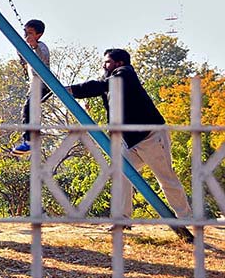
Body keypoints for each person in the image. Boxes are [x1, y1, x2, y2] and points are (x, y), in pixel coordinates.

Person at [67, 48, 192, 228]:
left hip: (151, 136)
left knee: (166, 178)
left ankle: (186, 218)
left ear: (119, 63)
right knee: (121, 175)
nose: (104, 65)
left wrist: (70, 89)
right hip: (131, 141)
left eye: (108, 62)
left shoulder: (125, 74)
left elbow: (100, 85)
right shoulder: (110, 82)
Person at [12, 19, 51, 156]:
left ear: (38, 35)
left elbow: (43, 58)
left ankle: (30, 141)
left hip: (42, 84)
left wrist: (34, 46)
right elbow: (23, 59)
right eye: (25, 32)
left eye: (30, 33)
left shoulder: (41, 46)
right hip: (34, 84)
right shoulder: (28, 48)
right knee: (30, 110)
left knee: (28, 109)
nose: (26, 35)